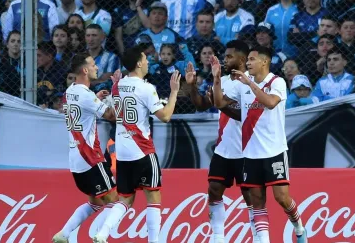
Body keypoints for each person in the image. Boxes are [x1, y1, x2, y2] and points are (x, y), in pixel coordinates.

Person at [212, 45, 308, 243]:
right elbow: (220, 104)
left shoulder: (277, 82)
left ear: (265, 61)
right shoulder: (242, 85)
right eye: (247, 60)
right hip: (250, 154)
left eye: (252, 59)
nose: (248, 63)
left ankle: (299, 227)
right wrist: (216, 79)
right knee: (257, 202)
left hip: (274, 151)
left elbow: (270, 103)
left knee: (282, 198)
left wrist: (250, 84)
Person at [93, 46, 181, 243]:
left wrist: (116, 85)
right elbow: (165, 116)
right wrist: (174, 92)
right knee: (153, 195)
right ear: (139, 63)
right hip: (142, 150)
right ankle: (154, 241)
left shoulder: (117, 86)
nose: (149, 61)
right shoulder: (146, 88)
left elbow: (115, 111)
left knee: (125, 199)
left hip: (122, 152)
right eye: (146, 58)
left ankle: (102, 233)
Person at [184, 40, 258, 243]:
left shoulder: (251, 83)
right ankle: (218, 237)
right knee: (214, 190)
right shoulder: (221, 80)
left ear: (242, 59)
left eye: (229, 57)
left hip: (246, 150)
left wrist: (221, 104)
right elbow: (200, 105)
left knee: (250, 196)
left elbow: (246, 116)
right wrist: (191, 87)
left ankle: (258, 237)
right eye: (224, 56)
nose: (224, 60)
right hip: (224, 150)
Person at [52, 53, 120, 243]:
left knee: (96, 203)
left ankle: (63, 235)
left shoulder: (70, 91)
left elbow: (83, 108)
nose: (96, 67)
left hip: (76, 162)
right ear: (84, 70)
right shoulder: (85, 95)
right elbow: (111, 116)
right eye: (92, 65)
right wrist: (117, 93)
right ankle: (101, 236)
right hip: (91, 160)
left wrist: (96, 98)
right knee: (120, 201)